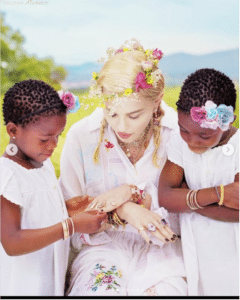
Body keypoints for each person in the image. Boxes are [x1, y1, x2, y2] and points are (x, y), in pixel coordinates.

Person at [59, 39, 187, 296]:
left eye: (134, 115)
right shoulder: (82, 136)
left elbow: (190, 216)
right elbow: (69, 212)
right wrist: (123, 209)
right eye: (111, 113)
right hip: (101, 251)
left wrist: (138, 197)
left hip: (165, 255)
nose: (121, 127)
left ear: (157, 101)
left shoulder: (181, 136)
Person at [0, 80, 107, 296]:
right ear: (13, 130)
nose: (54, 145)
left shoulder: (42, 162)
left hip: (48, 280)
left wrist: (69, 208)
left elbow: (37, 212)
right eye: (45, 139)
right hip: (22, 285)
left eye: (58, 136)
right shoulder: (8, 177)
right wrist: (71, 225)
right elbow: (11, 242)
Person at [158, 68, 239, 296]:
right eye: (184, 130)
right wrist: (219, 194)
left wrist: (190, 200)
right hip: (198, 247)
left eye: (204, 136)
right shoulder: (179, 144)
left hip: (234, 249)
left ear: (227, 120)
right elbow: (166, 197)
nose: (192, 142)